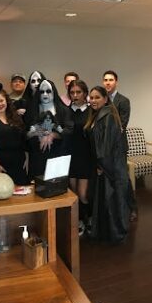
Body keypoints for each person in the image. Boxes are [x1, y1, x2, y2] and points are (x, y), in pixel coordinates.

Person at [85, 85, 130, 244]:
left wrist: (101, 166)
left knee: (112, 202)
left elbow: (106, 147)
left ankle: (115, 235)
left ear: (105, 99)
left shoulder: (108, 116)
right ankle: (103, 233)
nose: (93, 100)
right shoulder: (98, 115)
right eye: (91, 97)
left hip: (110, 167)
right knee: (105, 202)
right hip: (104, 166)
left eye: (97, 97)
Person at [102, 70, 137, 220]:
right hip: (104, 148)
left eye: (111, 80)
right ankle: (115, 209)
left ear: (116, 82)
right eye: (105, 80)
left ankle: (132, 208)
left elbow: (121, 125)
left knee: (123, 179)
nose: (108, 82)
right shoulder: (101, 100)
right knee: (109, 178)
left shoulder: (123, 101)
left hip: (118, 147)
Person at [25, 79, 73, 178]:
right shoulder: (32, 110)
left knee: (57, 184)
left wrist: (53, 135)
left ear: (53, 92)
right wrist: (38, 133)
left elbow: (69, 131)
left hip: (58, 156)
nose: (45, 94)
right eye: (42, 92)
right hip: (37, 157)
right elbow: (23, 133)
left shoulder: (64, 110)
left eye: (48, 91)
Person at [0, 84, 29, 185]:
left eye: (1, 101)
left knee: (22, 190)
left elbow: (23, 138)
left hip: (19, 161)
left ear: (6, 101)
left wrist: (27, 157)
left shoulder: (16, 117)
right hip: (1, 163)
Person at [68, 80, 93, 232]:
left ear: (85, 93)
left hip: (85, 156)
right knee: (73, 193)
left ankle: (88, 218)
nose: (75, 95)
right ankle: (78, 222)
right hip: (69, 157)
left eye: (78, 92)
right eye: (72, 92)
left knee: (83, 194)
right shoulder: (66, 111)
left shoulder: (91, 111)